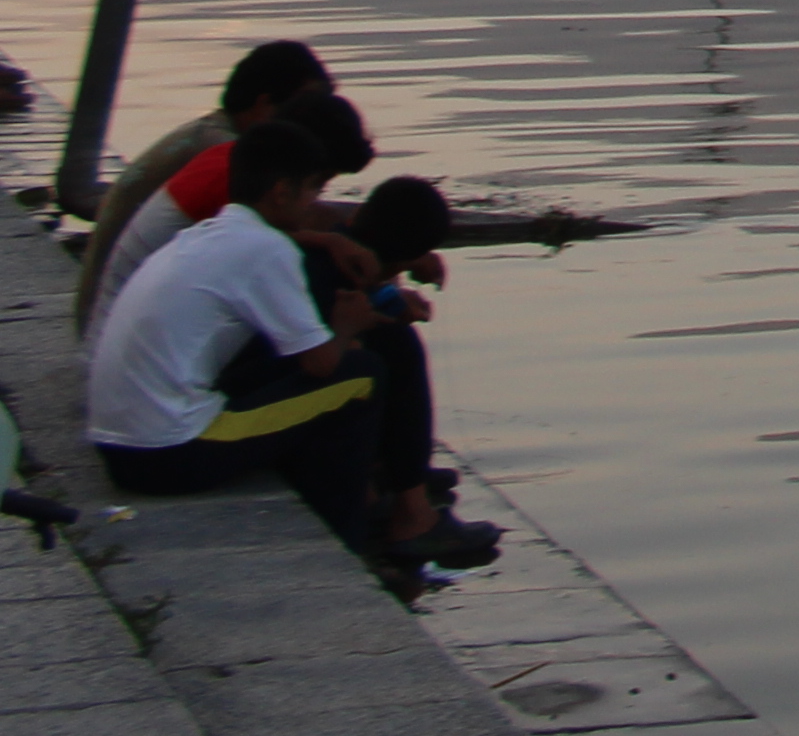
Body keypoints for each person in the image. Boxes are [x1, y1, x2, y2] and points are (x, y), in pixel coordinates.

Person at [83, 114, 494, 582]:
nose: (319, 206)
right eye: (314, 192)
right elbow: (322, 365)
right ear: (282, 193)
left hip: (121, 442)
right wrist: (347, 325)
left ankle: (388, 494)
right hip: (168, 453)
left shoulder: (213, 232)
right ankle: (350, 547)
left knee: (346, 363)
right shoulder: (266, 250)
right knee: (361, 377)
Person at [94, 90, 368, 340]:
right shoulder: (232, 180)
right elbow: (271, 251)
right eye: (317, 183)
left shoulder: (237, 162)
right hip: (129, 342)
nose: (316, 196)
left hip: (127, 334)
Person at [74, 41, 328, 286]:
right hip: (116, 313)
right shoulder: (226, 154)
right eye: (303, 109)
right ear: (264, 105)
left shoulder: (206, 134)